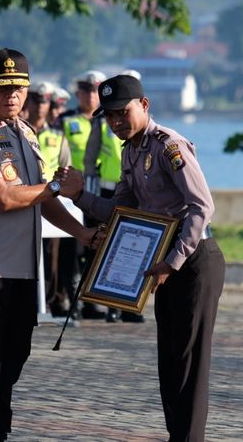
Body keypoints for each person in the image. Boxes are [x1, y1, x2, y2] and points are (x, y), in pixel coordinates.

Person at [56, 74, 225, 442]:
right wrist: (79, 196)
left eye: (123, 113)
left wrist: (174, 261)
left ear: (144, 106)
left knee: (190, 362)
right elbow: (121, 210)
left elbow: (202, 207)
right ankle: (177, 435)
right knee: (170, 360)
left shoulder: (169, 146)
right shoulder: (130, 151)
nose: (116, 122)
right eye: (110, 116)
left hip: (194, 260)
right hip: (164, 266)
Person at [0, 48, 101, 441]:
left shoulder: (27, 134)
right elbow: (1, 197)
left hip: (22, 268)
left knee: (14, 356)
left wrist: (83, 233)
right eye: (2, 88)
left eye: (18, 88)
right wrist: (54, 185)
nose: (11, 96)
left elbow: (42, 199)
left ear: (28, 89)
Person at [83, 69, 144, 323]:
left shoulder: (144, 123)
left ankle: (130, 305)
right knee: (107, 247)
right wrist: (89, 190)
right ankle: (106, 304)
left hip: (137, 192)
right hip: (109, 188)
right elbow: (89, 157)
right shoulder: (101, 121)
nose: (115, 119)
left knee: (135, 248)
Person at [24, 81, 75, 316]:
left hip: (51, 197)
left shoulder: (57, 134)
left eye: (44, 102)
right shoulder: (19, 130)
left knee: (52, 252)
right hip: (25, 197)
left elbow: (66, 167)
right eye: (36, 101)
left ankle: (52, 299)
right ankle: (31, 298)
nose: (40, 106)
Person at [59, 69, 108, 319]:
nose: (90, 96)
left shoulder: (109, 119)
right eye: (86, 91)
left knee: (99, 246)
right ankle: (71, 298)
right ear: (78, 93)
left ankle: (96, 301)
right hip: (71, 193)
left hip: (100, 192)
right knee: (73, 248)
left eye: (95, 91)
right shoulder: (66, 120)